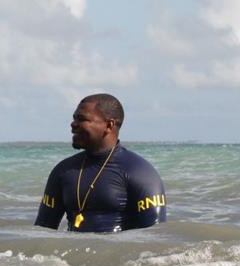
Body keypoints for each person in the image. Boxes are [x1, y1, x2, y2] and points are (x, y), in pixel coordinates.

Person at [35, 94, 166, 233]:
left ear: (109, 125)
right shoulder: (63, 171)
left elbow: (155, 237)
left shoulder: (140, 172)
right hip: (73, 253)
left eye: (81, 119)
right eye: (74, 118)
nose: (73, 124)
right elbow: (42, 233)